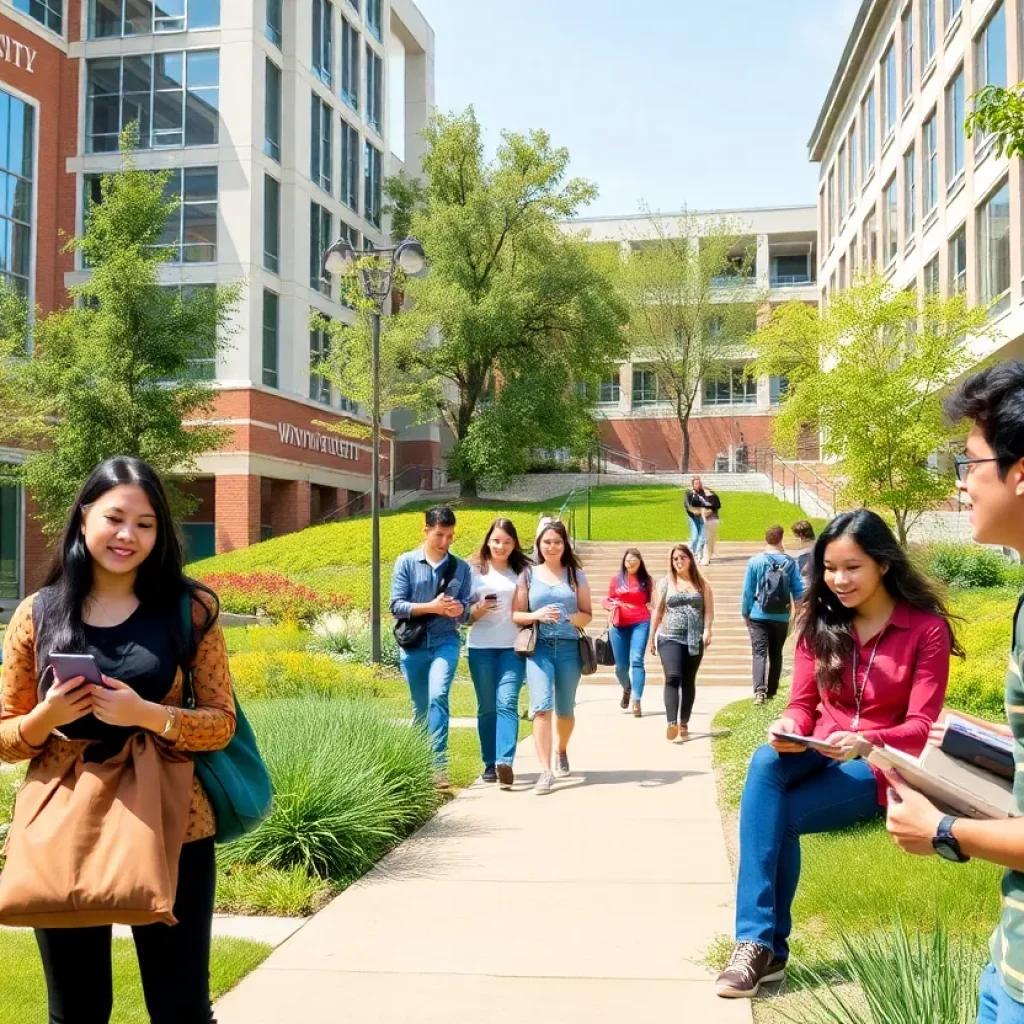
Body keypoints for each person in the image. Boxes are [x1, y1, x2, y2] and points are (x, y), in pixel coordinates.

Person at [0, 457, 236, 1023]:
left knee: (179, 1006)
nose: (128, 535)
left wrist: (148, 714)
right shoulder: (39, 612)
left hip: (173, 823)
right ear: (84, 519)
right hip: (66, 820)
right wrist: (47, 716)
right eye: (114, 518)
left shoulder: (190, 608)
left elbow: (221, 721)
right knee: (76, 1010)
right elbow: (6, 734)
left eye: (146, 523)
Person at [715, 509, 957, 999]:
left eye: (852, 567)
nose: (838, 580)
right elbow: (802, 705)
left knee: (778, 817)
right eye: (829, 568)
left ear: (883, 564)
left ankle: (764, 951)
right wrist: (789, 726)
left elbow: (921, 726)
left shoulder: (925, 629)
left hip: (883, 764)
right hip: (820, 747)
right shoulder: (818, 621)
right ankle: (757, 944)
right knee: (764, 761)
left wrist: (870, 741)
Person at [883, 362, 1024, 1024]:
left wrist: (943, 831)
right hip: (1009, 963)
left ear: (1020, 472)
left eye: (970, 464)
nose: (962, 484)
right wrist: (995, 745)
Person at [389, 505, 473, 788]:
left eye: (450, 536)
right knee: (420, 708)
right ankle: (416, 764)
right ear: (426, 530)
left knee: (439, 696)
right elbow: (396, 606)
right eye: (439, 535)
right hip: (413, 644)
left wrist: (459, 610)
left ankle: (439, 767)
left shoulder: (461, 567)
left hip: (445, 642)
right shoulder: (406, 562)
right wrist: (432, 607)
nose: (445, 542)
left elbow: (466, 613)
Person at [512, 520, 592, 796]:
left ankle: (561, 749)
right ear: (539, 545)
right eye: (547, 542)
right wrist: (537, 615)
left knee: (565, 710)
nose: (552, 546)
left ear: (565, 544)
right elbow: (517, 614)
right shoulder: (528, 575)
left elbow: (587, 614)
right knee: (541, 707)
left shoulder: (576, 576)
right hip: (540, 648)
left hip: (569, 648)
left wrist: (570, 618)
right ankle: (545, 771)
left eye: (557, 542)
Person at [466, 518, 529, 789]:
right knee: (487, 708)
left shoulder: (524, 572)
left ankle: (506, 762)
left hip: (512, 648)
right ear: (487, 541)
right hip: (480, 647)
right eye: (496, 540)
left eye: (506, 541)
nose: (500, 546)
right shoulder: (473, 572)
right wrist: (478, 610)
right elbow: (463, 614)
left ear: (514, 544)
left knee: (507, 703)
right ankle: (489, 764)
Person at [650, 544, 714, 742]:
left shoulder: (701, 584)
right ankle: (672, 722)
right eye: (675, 558)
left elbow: (708, 610)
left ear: (690, 560)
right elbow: (658, 611)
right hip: (669, 637)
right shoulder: (666, 583)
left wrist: (707, 630)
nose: (678, 561)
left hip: (694, 639)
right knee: (673, 677)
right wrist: (651, 637)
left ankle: (684, 721)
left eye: (682, 558)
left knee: (688, 680)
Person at [741, 525, 806, 705]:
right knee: (776, 653)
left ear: (766, 538)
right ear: (781, 539)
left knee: (759, 653)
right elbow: (798, 590)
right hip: (781, 616)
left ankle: (759, 692)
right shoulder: (790, 562)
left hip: (758, 614)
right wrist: (797, 612)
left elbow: (747, 591)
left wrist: (745, 612)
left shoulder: (755, 561)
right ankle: (772, 691)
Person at [603, 547, 653, 717]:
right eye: (628, 560)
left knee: (637, 660)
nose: (630, 563)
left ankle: (637, 700)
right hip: (618, 623)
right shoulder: (616, 579)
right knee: (621, 667)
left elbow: (652, 602)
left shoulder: (646, 581)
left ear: (640, 563)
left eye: (634, 560)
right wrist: (611, 605)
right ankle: (627, 688)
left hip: (640, 621)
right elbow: (607, 598)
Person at [684, 476, 711, 562]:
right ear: (693, 484)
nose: (698, 485)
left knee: (702, 536)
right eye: (696, 483)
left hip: (702, 516)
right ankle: (691, 553)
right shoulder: (689, 493)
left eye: (699, 483)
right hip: (693, 517)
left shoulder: (703, 492)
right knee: (695, 535)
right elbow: (687, 505)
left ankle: (700, 554)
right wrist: (694, 511)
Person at [702, 487, 723, 565]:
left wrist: (703, 517)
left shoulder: (709, 498)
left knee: (707, 540)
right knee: (710, 540)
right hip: (714, 520)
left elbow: (709, 511)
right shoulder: (714, 498)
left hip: (710, 521)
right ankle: (708, 556)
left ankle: (706, 558)